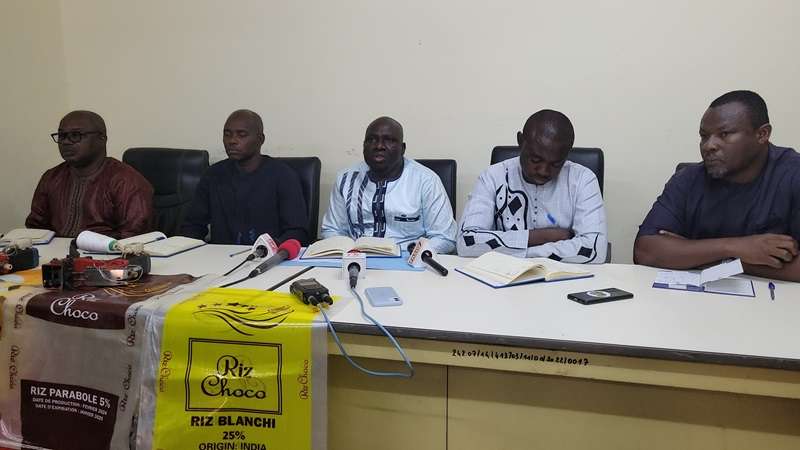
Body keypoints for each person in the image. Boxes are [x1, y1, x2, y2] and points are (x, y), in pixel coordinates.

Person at [634, 90, 800, 281]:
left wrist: (702, 257)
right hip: (693, 297)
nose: (709, 146)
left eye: (724, 134)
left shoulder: (793, 175)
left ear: (762, 134)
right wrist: (736, 248)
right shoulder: (687, 179)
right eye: (704, 136)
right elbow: (645, 251)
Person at [457, 109, 607, 262]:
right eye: (535, 160)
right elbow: (466, 242)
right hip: (503, 274)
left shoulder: (583, 180)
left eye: (556, 164)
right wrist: (544, 237)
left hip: (563, 275)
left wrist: (523, 252)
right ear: (520, 141)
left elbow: (595, 250)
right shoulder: (492, 177)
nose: (543, 171)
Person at [320, 116, 457, 253]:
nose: (379, 146)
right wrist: (347, 253)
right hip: (356, 259)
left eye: (389, 140)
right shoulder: (346, 179)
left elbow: (445, 238)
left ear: (402, 148)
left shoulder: (426, 180)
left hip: (408, 259)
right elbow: (332, 229)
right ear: (364, 146)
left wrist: (411, 255)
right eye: (371, 140)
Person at [180, 109, 309, 245]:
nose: (232, 141)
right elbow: (192, 226)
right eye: (227, 134)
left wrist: (268, 249)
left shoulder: (283, 175)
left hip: (267, 255)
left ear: (260, 139)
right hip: (219, 255)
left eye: (242, 135)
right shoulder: (213, 175)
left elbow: (297, 232)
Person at [26, 110, 153, 239]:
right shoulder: (52, 177)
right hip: (54, 251)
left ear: (102, 138)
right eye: (62, 136)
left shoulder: (126, 181)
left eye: (75, 135)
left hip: (106, 251)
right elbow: (36, 229)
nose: (66, 142)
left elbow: (134, 238)